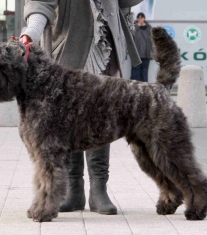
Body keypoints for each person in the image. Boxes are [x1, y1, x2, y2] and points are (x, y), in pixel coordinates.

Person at [20, 0, 142, 215]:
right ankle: (74, 191)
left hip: (106, 47)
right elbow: (40, 3)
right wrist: (32, 32)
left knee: (100, 120)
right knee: (66, 121)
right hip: (69, 48)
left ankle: (98, 190)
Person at [130, 12, 153, 82]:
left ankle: (144, 87)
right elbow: (131, 36)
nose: (140, 19)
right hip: (136, 54)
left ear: (144, 19)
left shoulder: (149, 28)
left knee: (144, 71)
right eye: (138, 18)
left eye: (141, 18)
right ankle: (133, 87)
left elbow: (152, 41)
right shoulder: (134, 27)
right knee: (135, 71)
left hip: (146, 54)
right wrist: (137, 27)